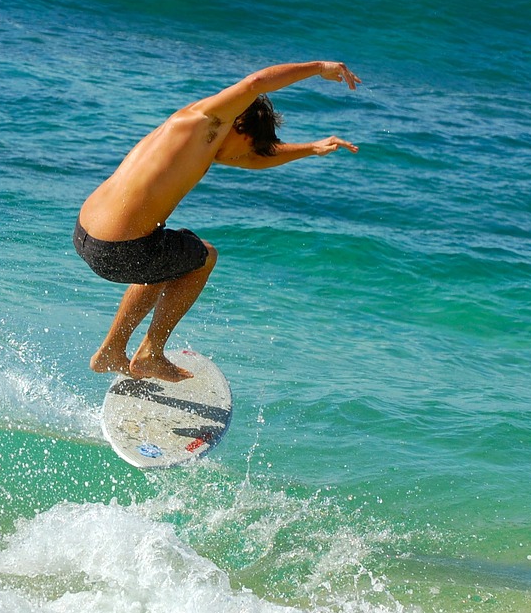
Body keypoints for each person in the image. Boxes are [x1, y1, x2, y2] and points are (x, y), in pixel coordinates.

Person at [74, 60, 362, 382]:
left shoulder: (188, 131)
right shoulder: (208, 119)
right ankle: (150, 354)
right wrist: (319, 68)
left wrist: (311, 148)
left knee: (164, 256)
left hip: (87, 235)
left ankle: (112, 351)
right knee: (203, 258)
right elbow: (255, 83)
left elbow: (254, 159)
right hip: (118, 248)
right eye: (248, 146)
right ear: (239, 126)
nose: (242, 158)